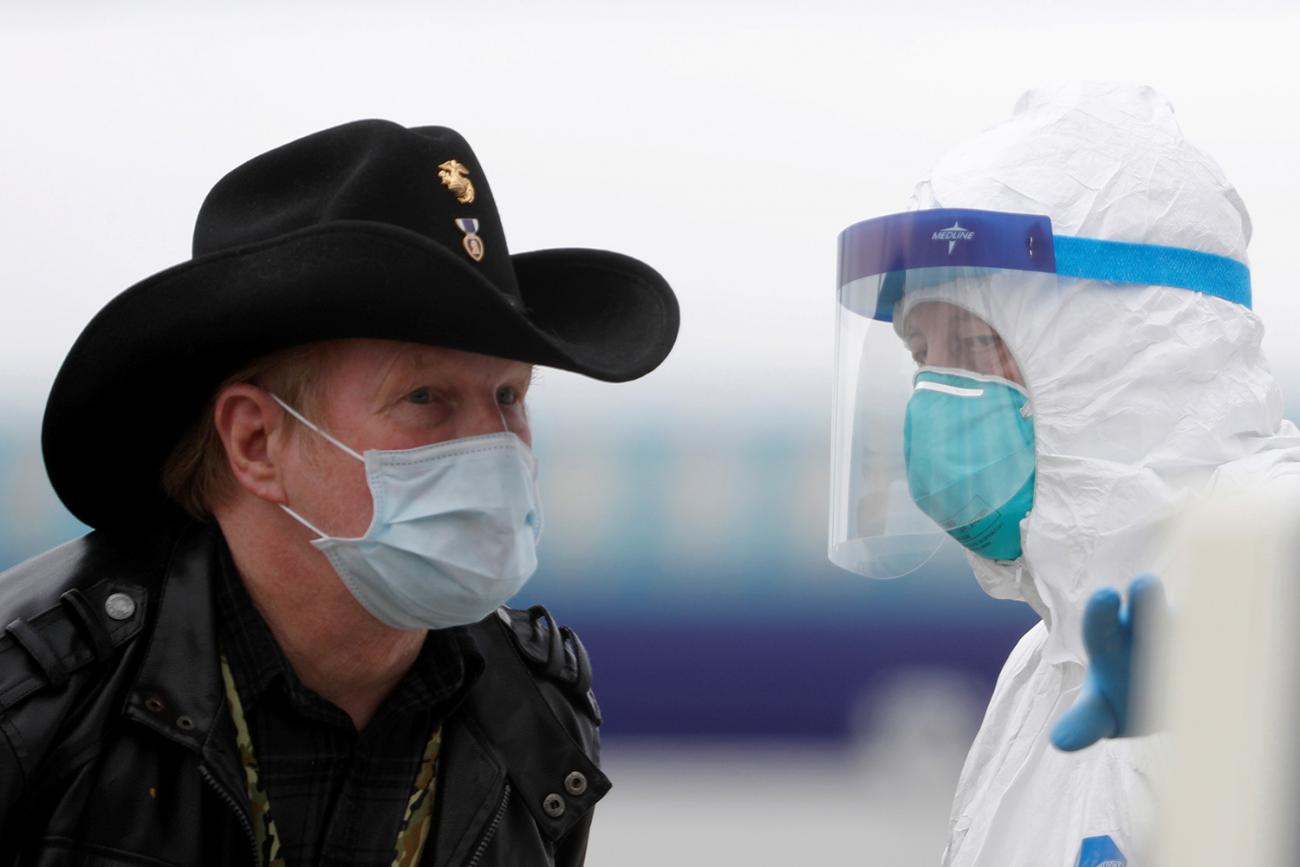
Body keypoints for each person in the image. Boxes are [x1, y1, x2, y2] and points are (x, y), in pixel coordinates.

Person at [0, 119, 679, 866]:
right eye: (425, 396)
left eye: (510, 396)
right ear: (257, 442)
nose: (493, 445)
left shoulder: (538, 716)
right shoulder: (34, 703)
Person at [828, 83, 1300, 865]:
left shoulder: (1272, 546)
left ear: (1117, 349)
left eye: (978, 345)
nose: (939, 394)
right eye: (922, 353)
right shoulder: (1043, 668)